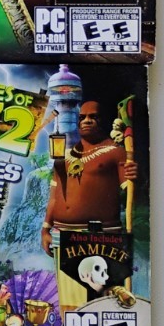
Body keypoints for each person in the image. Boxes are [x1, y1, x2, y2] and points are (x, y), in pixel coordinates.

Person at [42, 100, 138, 254]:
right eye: (82, 117)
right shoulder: (63, 158)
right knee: (65, 272)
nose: (87, 121)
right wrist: (45, 229)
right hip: (61, 234)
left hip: (101, 236)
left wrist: (135, 178)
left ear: (103, 120)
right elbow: (54, 197)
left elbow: (132, 193)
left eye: (94, 117)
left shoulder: (116, 152)